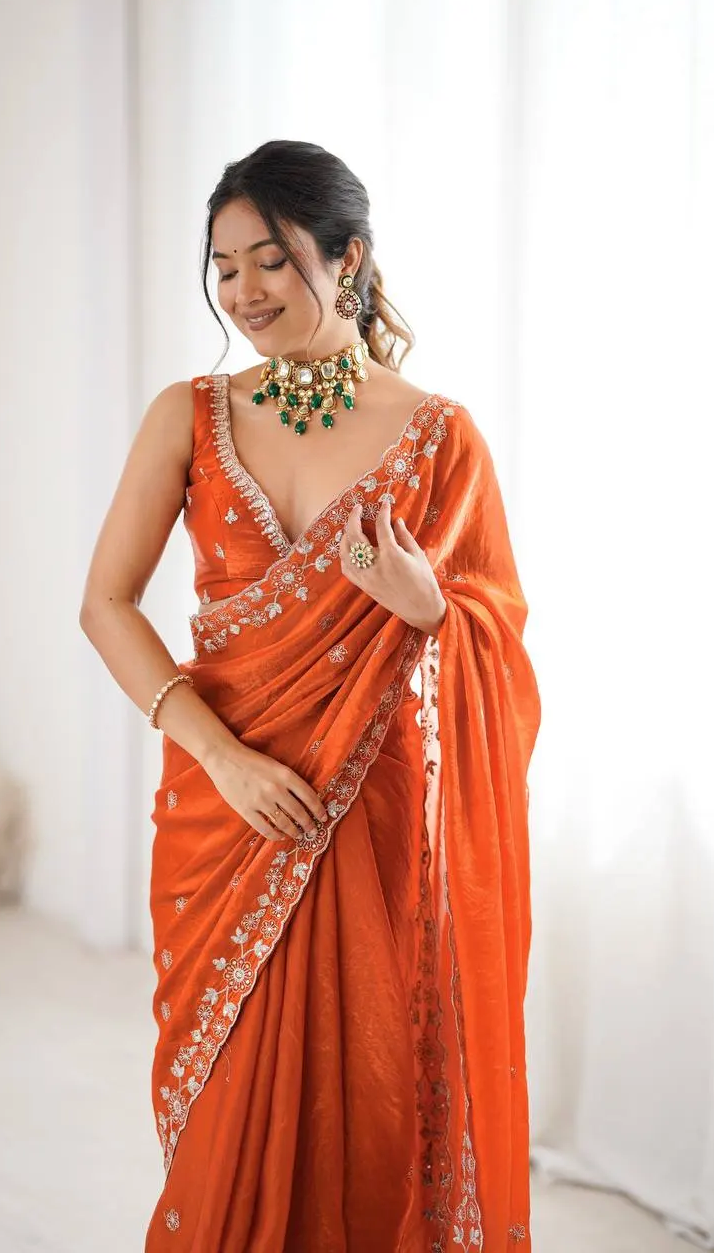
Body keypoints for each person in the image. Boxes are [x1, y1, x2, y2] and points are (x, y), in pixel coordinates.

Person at [80, 139, 541, 1252]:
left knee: (373, 1101)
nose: (243, 291)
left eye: (271, 259)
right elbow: (106, 604)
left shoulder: (439, 437)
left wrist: (431, 609)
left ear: (348, 259)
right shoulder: (188, 413)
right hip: (222, 808)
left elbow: (500, 649)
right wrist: (223, 759)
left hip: (370, 818)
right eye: (224, 266)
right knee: (228, 1121)